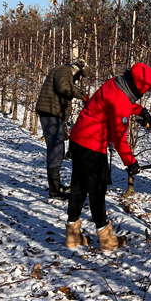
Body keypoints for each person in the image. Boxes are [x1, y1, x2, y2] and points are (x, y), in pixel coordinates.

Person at [64, 63, 151, 251]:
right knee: (97, 191)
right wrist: (131, 162)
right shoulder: (122, 101)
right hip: (92, 144)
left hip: (79, 138)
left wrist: (139, 110)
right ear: (140, 88)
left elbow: (114, 105)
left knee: (78, 187)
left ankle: (72, 235)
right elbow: (119, 137)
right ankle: (106, 239)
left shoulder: (114, 83)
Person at [35, 59, 87, 199]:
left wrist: (63, 123)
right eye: (80, 75)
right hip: (50, 113)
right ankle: (54, 191)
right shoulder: (64, 71)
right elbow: (64, 88)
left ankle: (57, 186)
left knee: (57, 150)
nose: (80, 79)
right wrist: (84, 96)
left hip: (54, 115)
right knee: (56, 150)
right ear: (76, 70)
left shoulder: (63, 72)